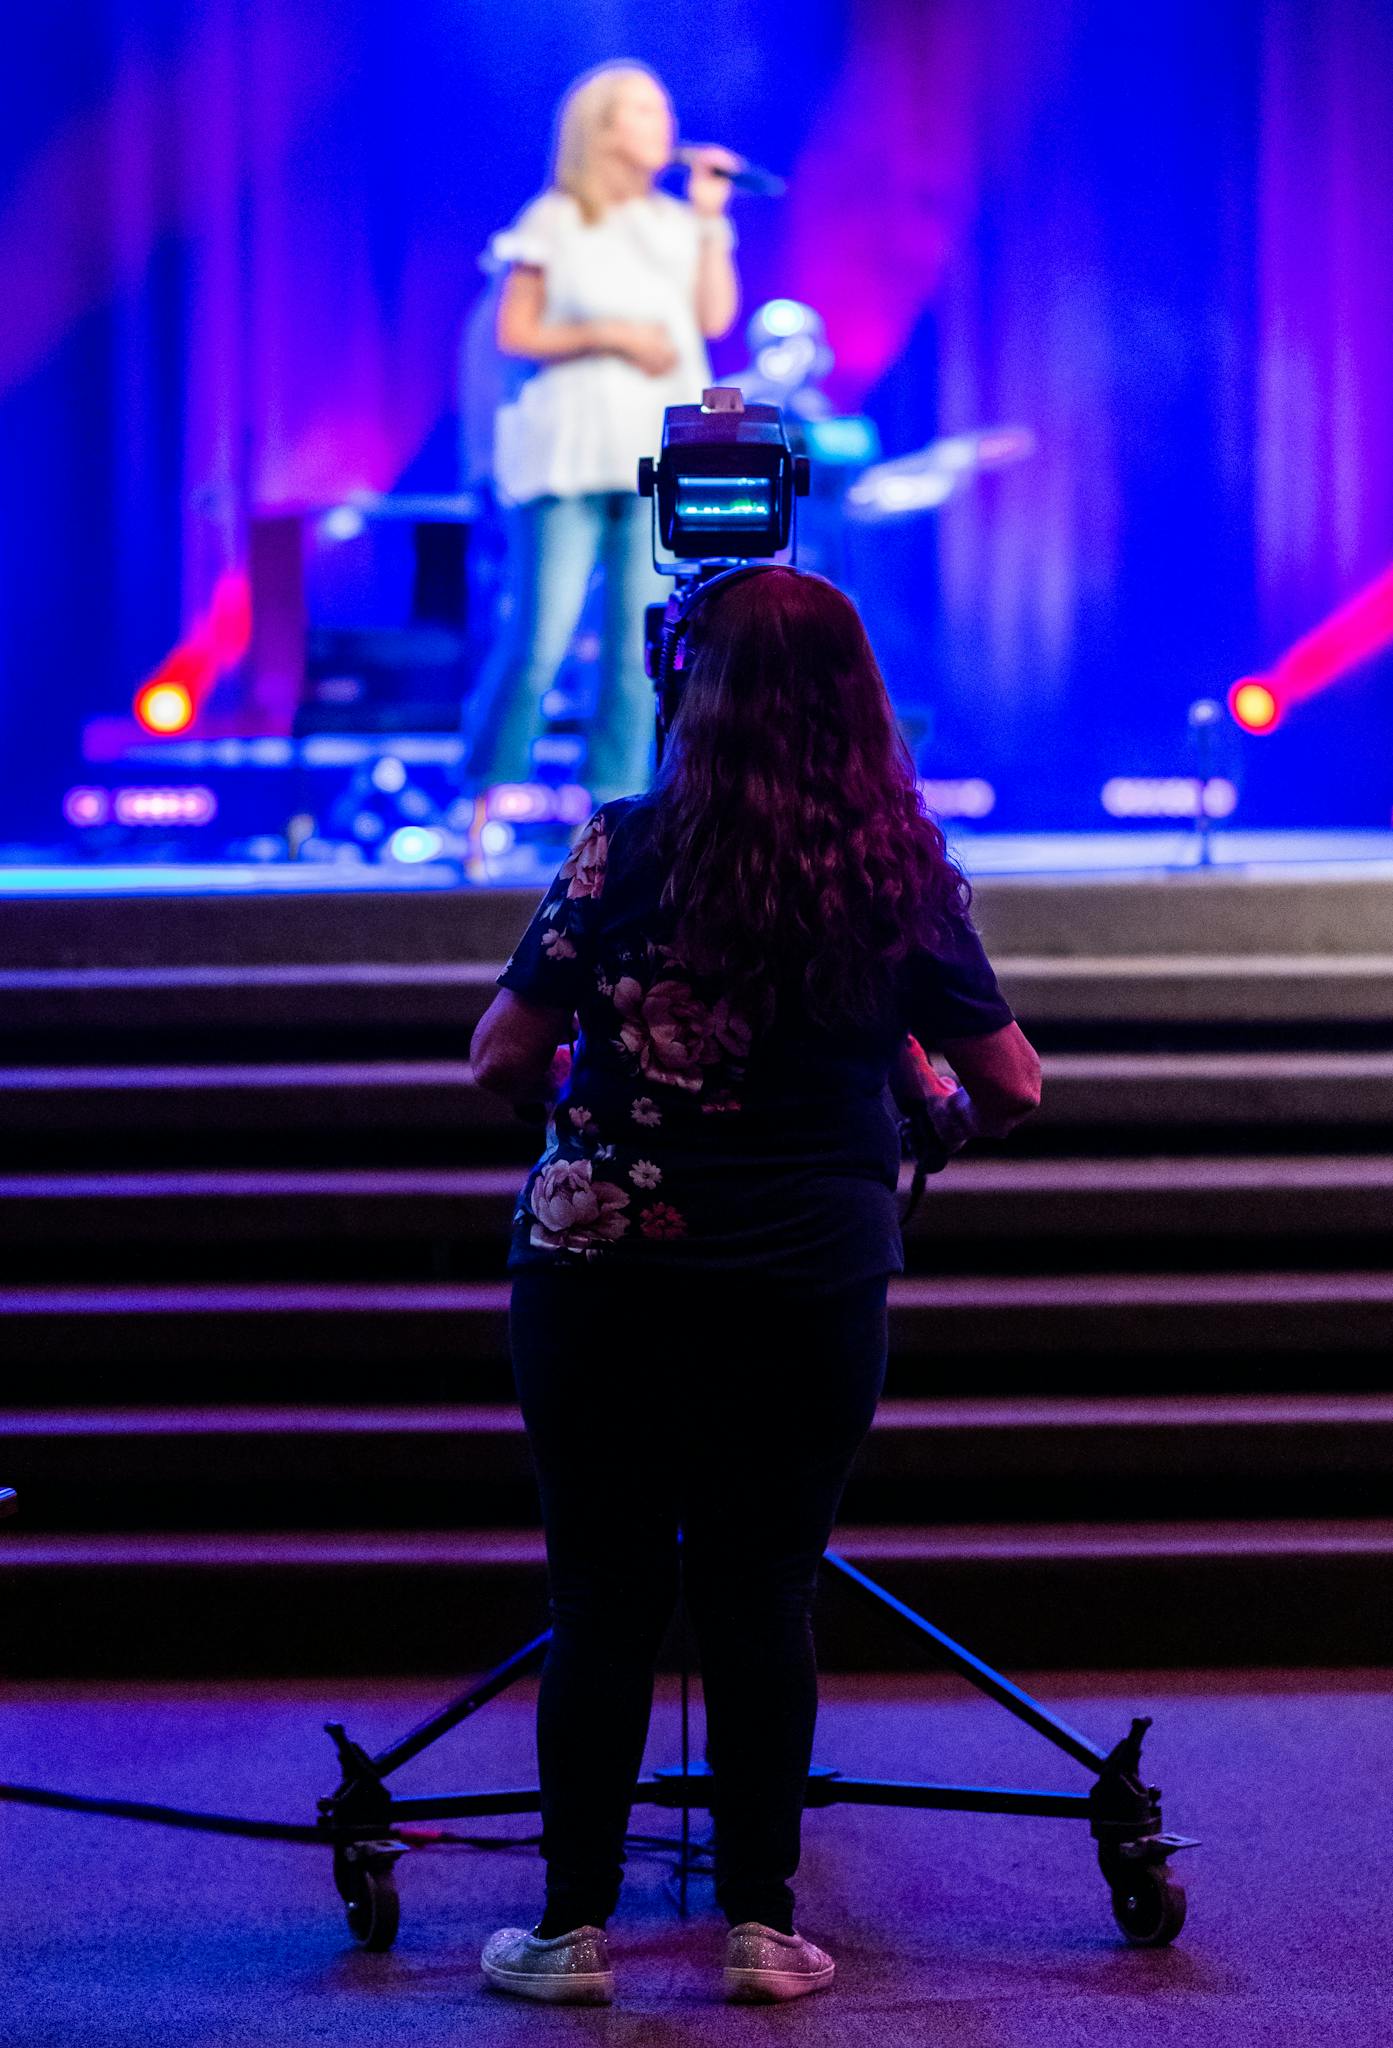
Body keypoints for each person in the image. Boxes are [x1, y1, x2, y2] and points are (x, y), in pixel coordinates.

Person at [469, 567, 1041, 2004]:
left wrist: (619, 1090)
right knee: (761, 1588)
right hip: (804, 1273)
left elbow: (494, 1056)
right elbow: (1012, 1082)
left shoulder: (622, 847)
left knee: (602, 1591)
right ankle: (759, 1931)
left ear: (686, 694)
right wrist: (904, 1097)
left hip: (601, 1266)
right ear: (855, 700)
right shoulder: (892, 864)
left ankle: (569, 1936)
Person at [462, 62, 740, 804]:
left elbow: (714, 320)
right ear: (603, 129)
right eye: (644, 112)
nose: (665, 127)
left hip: (652, 455)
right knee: (539, 638)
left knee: (638, 648)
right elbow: (512, 330)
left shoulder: (676, 227)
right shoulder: (554, 219)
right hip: (568, 457)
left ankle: (614, 811)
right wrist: (609, 334)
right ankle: (484, 806)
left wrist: (710, 217)